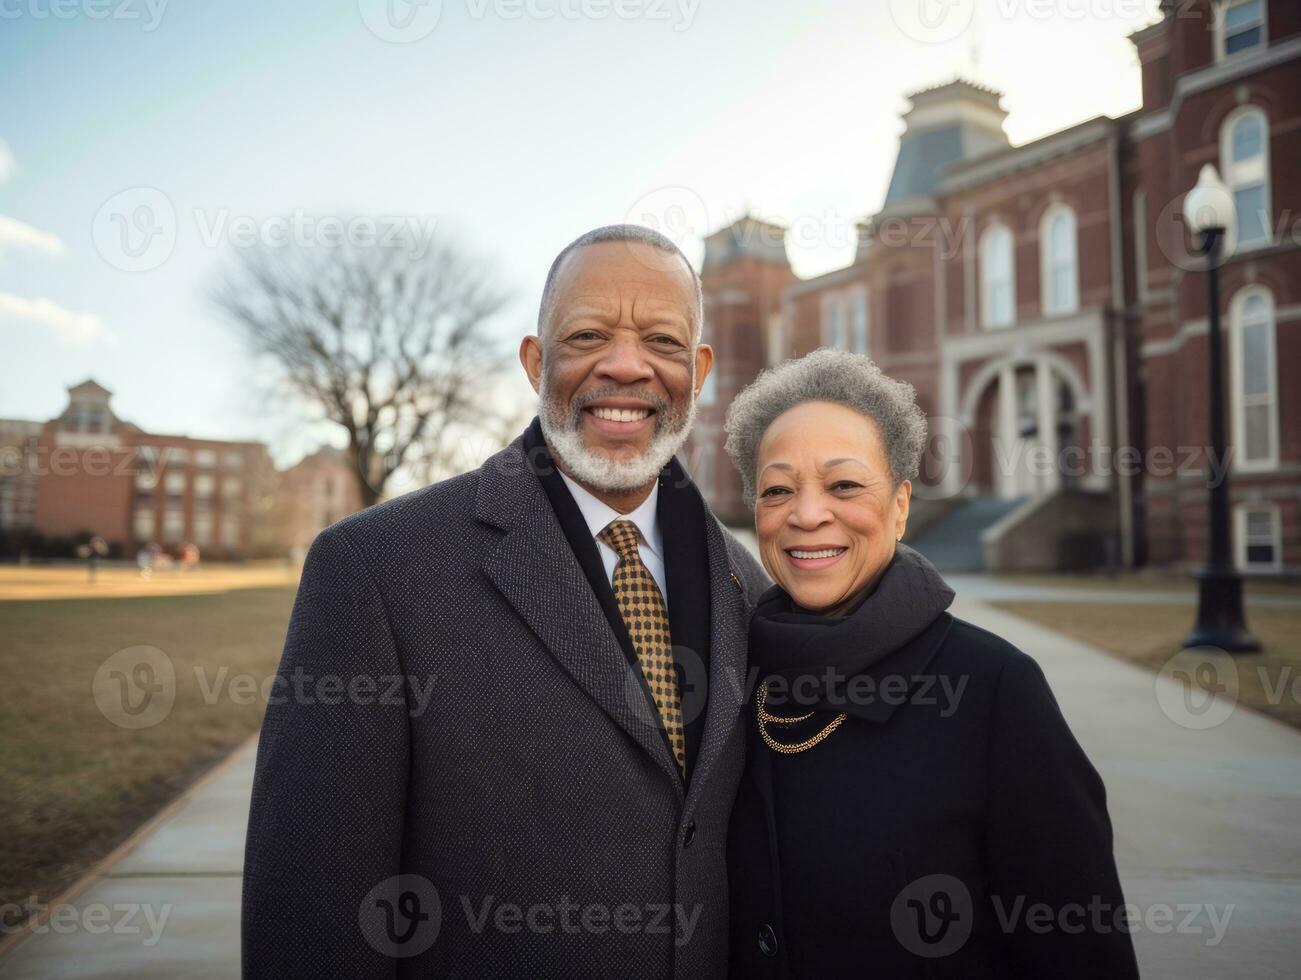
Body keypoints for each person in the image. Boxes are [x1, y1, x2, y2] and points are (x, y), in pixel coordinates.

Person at [242, 225, 769, 979]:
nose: (626, 365)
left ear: (699, 368)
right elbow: (309, 907)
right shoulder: (373, 569)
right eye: (588, 335)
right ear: (534, 361)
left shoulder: (748, 586)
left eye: (661, 339)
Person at [723, 349, 1139, 978]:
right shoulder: (733, 674)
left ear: (899, 506)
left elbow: (1081, 951)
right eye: (778, 489)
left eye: (844, 485)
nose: (807, 515)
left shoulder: (993, 688)